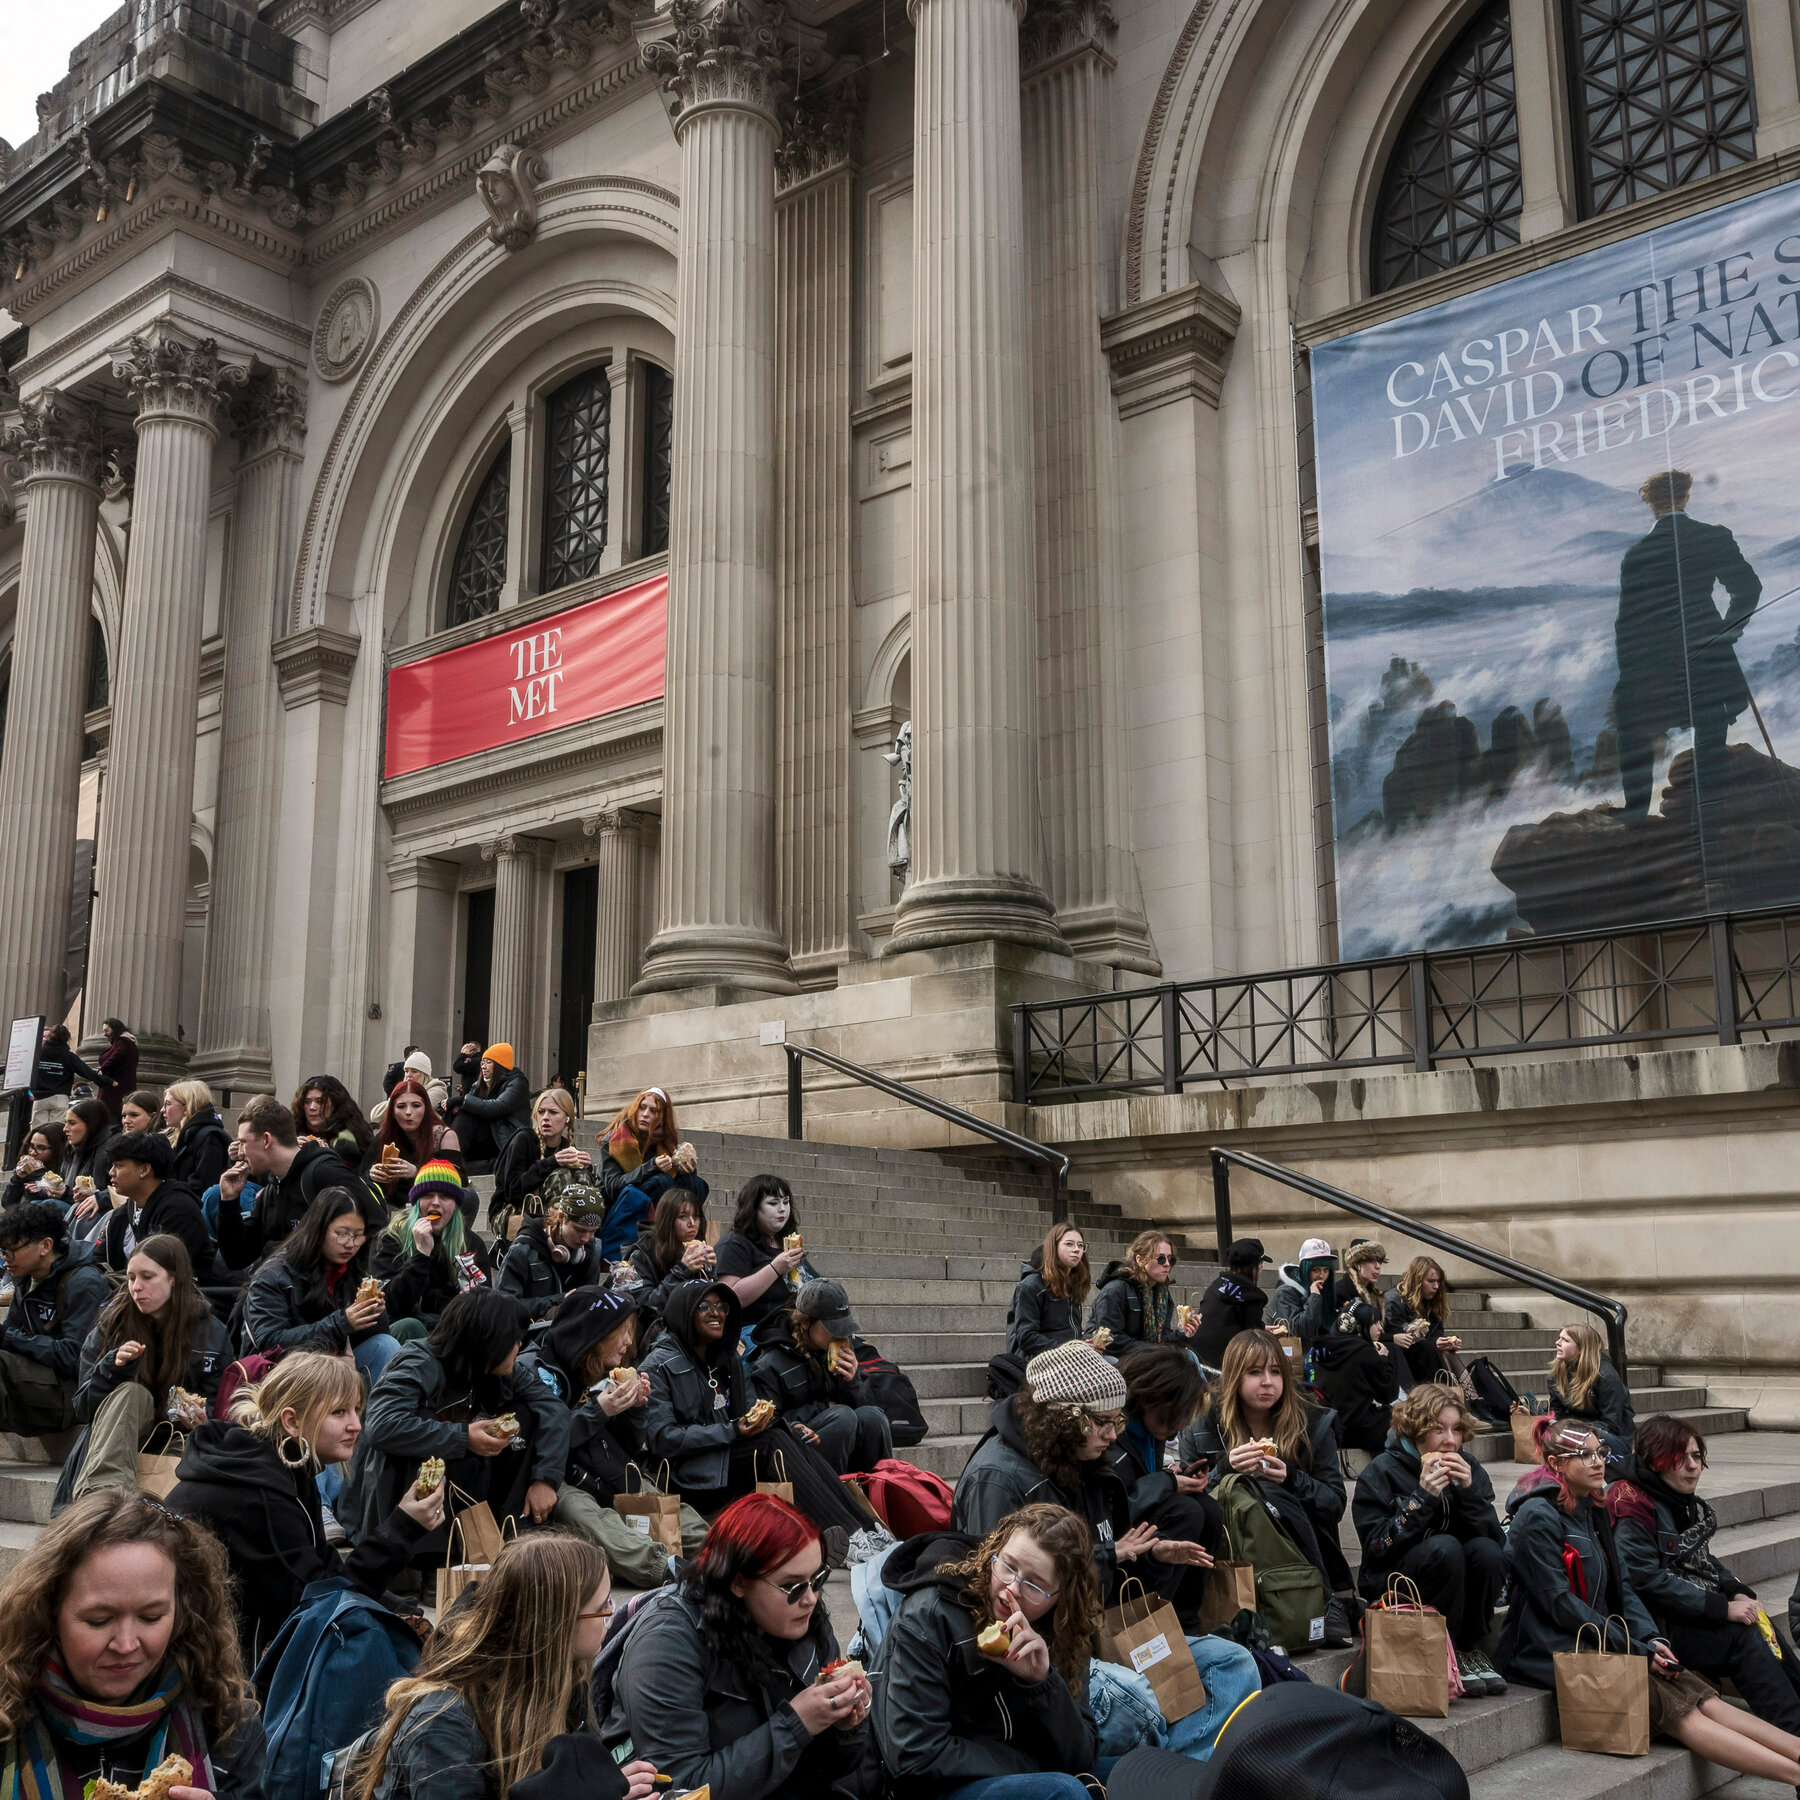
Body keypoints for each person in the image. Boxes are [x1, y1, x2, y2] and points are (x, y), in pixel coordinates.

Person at [1500, 1418, 1800, 1785]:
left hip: (1604, 1638)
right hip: (1549, 1650)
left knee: (1703, 1695)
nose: (1598, 1462)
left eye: (1600, 1453)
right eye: (1585, 1455)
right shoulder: (1537, 1517)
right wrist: (1636, 1648)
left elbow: (1623, 1587)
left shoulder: (1590, 1507)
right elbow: (1559, 1605)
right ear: (1558, 1463)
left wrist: (1652, 1640)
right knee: (1680, 1709)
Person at [167, 1350, 443, 1663]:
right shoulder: (258, 1495)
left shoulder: (286, 1471)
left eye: (357, 1410)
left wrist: (400, 1609)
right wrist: (402, 1527)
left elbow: (327, 1574)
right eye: (339, 1412)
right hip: (211, 1665)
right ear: (292, 1421)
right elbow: (320, 1608)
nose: (356, 1425)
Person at [608, 1493, 880, 1800]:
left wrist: (846, 1728)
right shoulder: (665, 1644)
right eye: (792, 1586)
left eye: (818, 1578)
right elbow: (681, 1788)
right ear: (737, 1582)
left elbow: (832, 1770)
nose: (811, 1598)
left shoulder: (803, 1616)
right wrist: (797, 1724)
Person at [0, 1487, 265, 1800]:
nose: (126, 1645)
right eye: (99, 1620)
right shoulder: (7, 1717)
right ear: (48, 1609)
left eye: (151, 1617)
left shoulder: (226, 1723)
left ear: (181, 1612)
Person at [357, 1532, 659, 1800]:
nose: (612, 1613)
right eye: (602, 1606)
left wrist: (599, 1785)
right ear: (555, 1625)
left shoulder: (566, 1677)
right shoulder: (443, 1726)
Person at [871, 1506, 1101, 1800]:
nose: (1012, 1588)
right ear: (995, 1550)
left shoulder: (1062, 1631)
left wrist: (1043, 1683)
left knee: (1132, 1773)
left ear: (1061, 1597)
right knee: (1063, 1791)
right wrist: (1029, 1765)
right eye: (1008, 1566)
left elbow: (1083, 1756)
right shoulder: (932, 1614)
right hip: (930, 1785)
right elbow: (914, 1754)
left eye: (1034, 1585)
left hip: (1013, 1766)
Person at [954, 1342, 1203, 1606]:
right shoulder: (997, 1479)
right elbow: (997, 1589)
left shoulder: (1081, 1457)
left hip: (1084, 1626)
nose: (1112, 1435)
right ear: (1062, 1417)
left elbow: (1100, 1571)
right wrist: (1108, 1554)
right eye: (1102, 1422)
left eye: (1117, 1422)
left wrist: (1151, 1557)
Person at [1604, 1414, 1800, 1735]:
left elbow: (1701, 1558)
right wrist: (1722, 1608)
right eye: (1681, 1458)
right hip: (1654, 1625)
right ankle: (1794, 1742)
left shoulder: (1675, 1498)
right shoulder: (1631, 1502)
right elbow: (1645, 1581)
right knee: (1742, 1637)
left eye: (1697, 1456)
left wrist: (1735, 1590)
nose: (1693, 1466)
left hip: (1682, 1608)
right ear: (1656, 1460)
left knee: (1761, 1626)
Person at [337, 1288, 569, 1554]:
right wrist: (464, 1437)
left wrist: (546, 1479)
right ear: (486, 1340)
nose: (520, 1347)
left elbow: (554, 1409)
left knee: (524, 1416)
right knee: (421, 1423)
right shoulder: (417, 1359)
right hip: (389, 1506)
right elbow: (382, 1427)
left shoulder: (502, 1369)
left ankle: (512, 1535)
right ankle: (426, 1562)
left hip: (463, 1490)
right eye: (513, 1340)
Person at [641, 1281, 874, 1540]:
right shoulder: (657, 1366)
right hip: (690, 1477)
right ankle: (848, 1535)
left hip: (724, 1460)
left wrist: (789, 1427)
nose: (715, 1312)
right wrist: (732, 1431)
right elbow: (662, 1438)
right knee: (773, 1442)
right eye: (704, 1307)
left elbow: (751, 1412)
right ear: (683, 1313)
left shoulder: (725, 1359)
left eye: (721, 1306)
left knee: (787, 1435)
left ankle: (867, 1528)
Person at [519, 1286, 708, 1586]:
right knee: (584, 1512)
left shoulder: (598, 1368)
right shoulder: (535, 1369)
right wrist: (599, 1410)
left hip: (598, 1464)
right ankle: (665, 1568)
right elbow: (536, 1443)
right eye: (621, 1332)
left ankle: (722, 1546)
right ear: (595, 1333)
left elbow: (628, 1448)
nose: (630, 1342)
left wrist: (634, 1409)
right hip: (550, 1478)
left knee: (648, 1492)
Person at [1615, 469, 1760, 848]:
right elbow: (1749, 588)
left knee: (1633, 734)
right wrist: (1728, 632)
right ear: (1686, 497)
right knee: (1711, 733)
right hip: (1705, 655)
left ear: (1652, 504)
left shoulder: (1637, 555)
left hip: (1651, 667)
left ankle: (1634, 820)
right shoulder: (1711, 536)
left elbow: (1626, 623)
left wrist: (1629, 677)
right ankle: (1707, 826)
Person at [1179, 1327, 1354, 1634]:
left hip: (1297, 1549)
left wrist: (1292, 1478)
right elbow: (1187, 1500)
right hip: (1230, 1541)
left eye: (1276, 1371)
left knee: (1273, 1489)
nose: (1267, 1382)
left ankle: (1326, 1599)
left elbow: (1334, 1505)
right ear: (1234, 1377)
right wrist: (1224, 1467)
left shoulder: (1312, 1422)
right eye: (1255, 1372)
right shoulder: (1203, 1422)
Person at [1352, 1382, 1506, 1695]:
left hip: (1454, 1578)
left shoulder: (1470, 1467)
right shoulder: (1382, 1471)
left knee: (1487, 1552)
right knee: (1445, 1548)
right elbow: (1377, 1547)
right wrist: (1421, 1498)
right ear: (1416, 1430)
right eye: (1438, 1430)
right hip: (1395, 1582)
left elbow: (1496, 1539)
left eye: (1456, 1430)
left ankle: (1465, 1647)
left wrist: (1470, 1494)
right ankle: (1446, 1648)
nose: (1450, 1441)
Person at [62, 1236, 229, 1503]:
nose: (136, 1287)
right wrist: (111, 1369)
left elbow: (223, 1409)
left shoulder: (211, 1331)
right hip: (116, 1440)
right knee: (131, 1392)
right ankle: (105, 1500)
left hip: (178, 1440)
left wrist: (203, 1418)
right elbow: (82, 1408)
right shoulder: (112, 1325)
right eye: (130, 1278)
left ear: (173, 1278)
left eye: (147, 1277)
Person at [242, 1186, 402, 1384]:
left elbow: (371, 1336)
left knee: (386, 1345)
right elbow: (270, 1344)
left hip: (336, 1365)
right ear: (318, 1228)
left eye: (358, 1235)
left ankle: (377, 1415)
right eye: (342, 1233)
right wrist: (343, 1322)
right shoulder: (273, 1275)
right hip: (286, 1375)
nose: (350, 1244)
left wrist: (374, 1314)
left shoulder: (353, 1270)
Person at [1112, 1347, 1224, 1619]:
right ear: (1154, 1400)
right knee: (1185, 1512)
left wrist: (1177, 1476)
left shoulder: (1153, 1429)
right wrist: (1168, 1483)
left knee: (1208, 1509)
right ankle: (1145, 1621)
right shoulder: (1113, 1432)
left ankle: (1186, 1620)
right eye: (1177, 1416)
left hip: (1141, 1523)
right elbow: (1116, 1503)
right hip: (1116, 1542)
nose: (1181, 1425)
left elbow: (1145, 1480)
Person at [748, 1279, 894, 1476]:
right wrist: (824, 1409)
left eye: (844, 1326)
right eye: (833, 1327)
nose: (841, 1334)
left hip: (839, 1440)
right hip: (795, 1451)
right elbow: (768, 1424)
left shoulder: (837, 1350)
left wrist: (852, 1383)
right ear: (806, 1323)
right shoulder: (769, 1363)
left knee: (873, 1416)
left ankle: (879, 1491)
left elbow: (862, 1408)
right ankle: (836, 1499)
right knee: (842, 1416)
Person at [0, 1203, 110, 1435]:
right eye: (2, 1251)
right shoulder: (26, 1278)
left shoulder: (84, 1283)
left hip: (70, 1394)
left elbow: (75, 1358)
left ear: (45, 1245)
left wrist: (9, 1338)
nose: (5, 1259)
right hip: (37, 1380)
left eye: (11, 1250)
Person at [216, 1097, 351, 1266]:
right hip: (279, 1290)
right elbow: (236, 1258)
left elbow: (370, 1231)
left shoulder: (326, 1174)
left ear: (266, 1140)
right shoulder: (272, 1190)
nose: (240, 1153)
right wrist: (229, 1201)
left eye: (243, 1142)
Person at [371, 1161, 495, 1335]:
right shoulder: (391, 1238)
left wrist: (470, 1301)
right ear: (416, 1202)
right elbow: (391, 1307)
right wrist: (421, 1254)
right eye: (428, 1195)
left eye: (444, 1196)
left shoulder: (471, 1244)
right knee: (410, 1326)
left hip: (452, 1330)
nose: (435, 1203)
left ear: (455, 1204)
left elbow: (485, 1305)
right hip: (405, 1331)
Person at [598, 1087, 706, 1258]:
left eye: (653, 1110)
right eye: (642, 1107)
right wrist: (651, 1166)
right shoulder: (616, 1139)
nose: (645, 1114)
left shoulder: (666, 1144)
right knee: (662, 1181)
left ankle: (688, 1244)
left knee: (695, 1184)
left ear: (663, 1117)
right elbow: (612, 1187)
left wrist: (687, 1168)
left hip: (650, 1204)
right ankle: (654, 1245)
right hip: (619, 1208)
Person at [94, 1132, 213, 1280]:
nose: (111, 1173)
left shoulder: (179, 1211)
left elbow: (162, 1272)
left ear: (144, 1170)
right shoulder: (124, 1212)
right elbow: (98, 1259)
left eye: (119, 1165)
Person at [715, 1175, 816, 1336]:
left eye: (786, 1201)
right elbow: (728, 1299)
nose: (782, 1209)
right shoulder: (734, 1244)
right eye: (773, 1203)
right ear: (753, 1207)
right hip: (752, 1332)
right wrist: (775, 1268)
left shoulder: (787, 1242)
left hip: (793, 1328)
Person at [496, 1181, 608, 1318]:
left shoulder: (592, 1249)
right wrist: (561, 1300)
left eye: (593, 1231)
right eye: (580, 1230)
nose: (586, 1238)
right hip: (534, 1332)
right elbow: (505, 1307)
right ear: (561, 1217)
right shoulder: (523, 1250)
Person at [490, 1087, 591, 1236]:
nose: (545, 1117)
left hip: (546, 1215)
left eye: (553, 1112)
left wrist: (587, 1168)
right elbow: (513, 1192)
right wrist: (551, 1163)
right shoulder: (523, 1139)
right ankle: (563, 1235)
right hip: (510, 1212)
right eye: (541, 1112)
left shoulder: (566, 1146)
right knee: (560, 1175)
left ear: (567, 1119)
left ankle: (576, 1233)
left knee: (583, 1175)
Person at [1309, 1301, 1400, 1455]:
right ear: (1359, 1326)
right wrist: (1384, 1359)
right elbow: (1389, 1394)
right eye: (1375, 1322)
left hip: (1325, 1427)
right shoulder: (1365, 1352)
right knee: (1394, 1418)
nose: (1381, 1328)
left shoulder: (1322, 1348)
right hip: (1356, 1429)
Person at [1089, 1231, 1200, 1352]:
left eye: (1171, 1259)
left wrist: (1183, 1333)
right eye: (1161, 1259)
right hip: (1112, 1358)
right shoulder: (1115, 1291)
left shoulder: (1162, 1296)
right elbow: (1111, 1340)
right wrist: (1154, 1350)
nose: (1167, 1264)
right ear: (1140, 1260)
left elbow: (1163, 1339)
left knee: (1189, 1355)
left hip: (1146, 1355)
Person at [624, 1190, 715, 1335]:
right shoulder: (641, 1255)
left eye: (696, 1216)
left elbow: (712, 1304)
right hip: (656, 1338)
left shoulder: (697, 1249)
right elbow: (648, 1308)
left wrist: (710, 1272)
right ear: (668, 1220)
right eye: (683, 1217)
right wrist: (682, 1270)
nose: (692, 1223)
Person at [368, 1076, 462, 1213]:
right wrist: (371, 1174)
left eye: (416, 1106)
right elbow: (361, 1178)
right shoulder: (384, 1137)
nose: (408, 1112)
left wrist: (417, 1172)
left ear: (426, 1109)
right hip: (391, 1207)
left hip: (432, 1207)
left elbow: (458, 1180)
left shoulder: (444, 1136)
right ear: (393, 1113)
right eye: (401, 1106)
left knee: (469, 1197)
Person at [1547, 1320, 1634, 1465]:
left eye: (1565, 1340)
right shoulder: (1556, 1374)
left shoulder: (1605, 1375)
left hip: (1611, 1438)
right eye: (1559, 1338)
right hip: (1575, 1431)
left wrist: (1573, 1427)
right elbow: (1558, 1414)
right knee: (1548, 1431)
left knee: (1573, 1435)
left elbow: (1612, 1424)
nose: (1557, 1343)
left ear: (1581, 1348)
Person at [1005, 1224, 1090, 1360]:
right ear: (1054, 1247)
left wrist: (1083, 1345)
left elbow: (1070, 1331)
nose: (1076, 1250)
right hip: (1039, 1359)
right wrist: (1067, 1350)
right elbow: (1027, 1337)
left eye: (1080, 1245)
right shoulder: (1031, 1285)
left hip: (1069, 1357)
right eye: (1069, 1244)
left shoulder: (1073, 1283)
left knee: (1111, 1364)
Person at [447, 1044, 530, 1172]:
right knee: (461, 1113)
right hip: (489, 1135)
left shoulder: (517, 1082)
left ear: (500, 1064)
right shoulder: (480, 1083)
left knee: (465, 1115)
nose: (483, 1066)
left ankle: (452, 1163)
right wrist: (456, 1107)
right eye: (482, 1063)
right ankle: (453, 1161)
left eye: (488, 1062)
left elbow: (497, 1107)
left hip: (506, 1138)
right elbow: (472, 1103)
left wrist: (462, 1100)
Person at [1385, 1256, 1460, 1389]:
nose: (1436, 1286)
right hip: (1403, 1356)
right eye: (1431, 1281)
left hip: (1425, 1354)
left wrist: (1447, 1342)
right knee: (1427, 1348)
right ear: (1417, 1280)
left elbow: (1437, 1334)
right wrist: (1434, 1342)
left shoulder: (1433, 1301)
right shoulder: (1394, 1300)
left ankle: (1465, 1395)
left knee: (1448, 1352)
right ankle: (1450, 1393)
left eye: (1438, 1281)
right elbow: (1399, 1337)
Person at [1192, 1238, 1267, 1367]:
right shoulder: (1252, 1297)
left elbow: (1223, 1323)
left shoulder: (1216, 1285)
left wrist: (1261, 1327)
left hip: (1198, 1359)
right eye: (1260, 1263)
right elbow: (1253, 1339)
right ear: (1253, 1267)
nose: (1261, 1268)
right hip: (1227, 1365)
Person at [1266, 1236, 1337, 1353]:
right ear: (1305, 1269)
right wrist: (1314, 1297)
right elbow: (1299, 1330)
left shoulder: (1324, 1290)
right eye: (1316, 1270)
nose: (1321, 1276)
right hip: (1292, 1358)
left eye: (1326, 1270)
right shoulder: (1286, 1292)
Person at [26, 1026, 104, 1130]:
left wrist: (31, 1093)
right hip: (60, 1097)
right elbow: (86, 1071)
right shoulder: (69, 1056)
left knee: (37, 1130)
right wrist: (106, 1080)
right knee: (57, 1130)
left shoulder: (37, 1054)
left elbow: (27, 1073)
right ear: (67, 1038)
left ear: (50, 1037)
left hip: (40, 1097)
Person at [292, 1075, 376, 1171]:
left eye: (320, 1101)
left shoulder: (354, 1136)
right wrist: (290, 1150)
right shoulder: (291, 1133)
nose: (312, 1107)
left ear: (335, 1103)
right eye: (307, 1102)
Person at [369, 1049, 448, 1123]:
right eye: (406, 1071)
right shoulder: (404, 1089)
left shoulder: (437, 1087)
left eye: (414, 1071)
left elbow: (416, 1110)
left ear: (425, 1075)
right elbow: (375, 1115)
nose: (408, 1075)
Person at [57, 1099, 115, 1196]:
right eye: (66, 1122)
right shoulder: (72, 1149)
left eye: (72, 1123)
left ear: (91, 1125)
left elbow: (118, 1194)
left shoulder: (111, 1150)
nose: (65, 1129)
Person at [3, 1124, 69, 1210]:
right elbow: (8, 1204)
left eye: (41, 1148)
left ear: (57, 1149)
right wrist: (18, 1179)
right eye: (31, 1146)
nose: (33, 1152)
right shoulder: (27, 1169)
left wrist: (39, 1174)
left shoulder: (66, 1169)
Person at [94, 1018, 139, 1121]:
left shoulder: (122, 1041)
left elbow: (118, 1055)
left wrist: (104, 1068)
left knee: (111, 1118)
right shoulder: (125, 1042)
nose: (104, 1034)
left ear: (115, 1029)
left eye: (107, 1030)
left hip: (115, 1090)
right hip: (117, 1088)